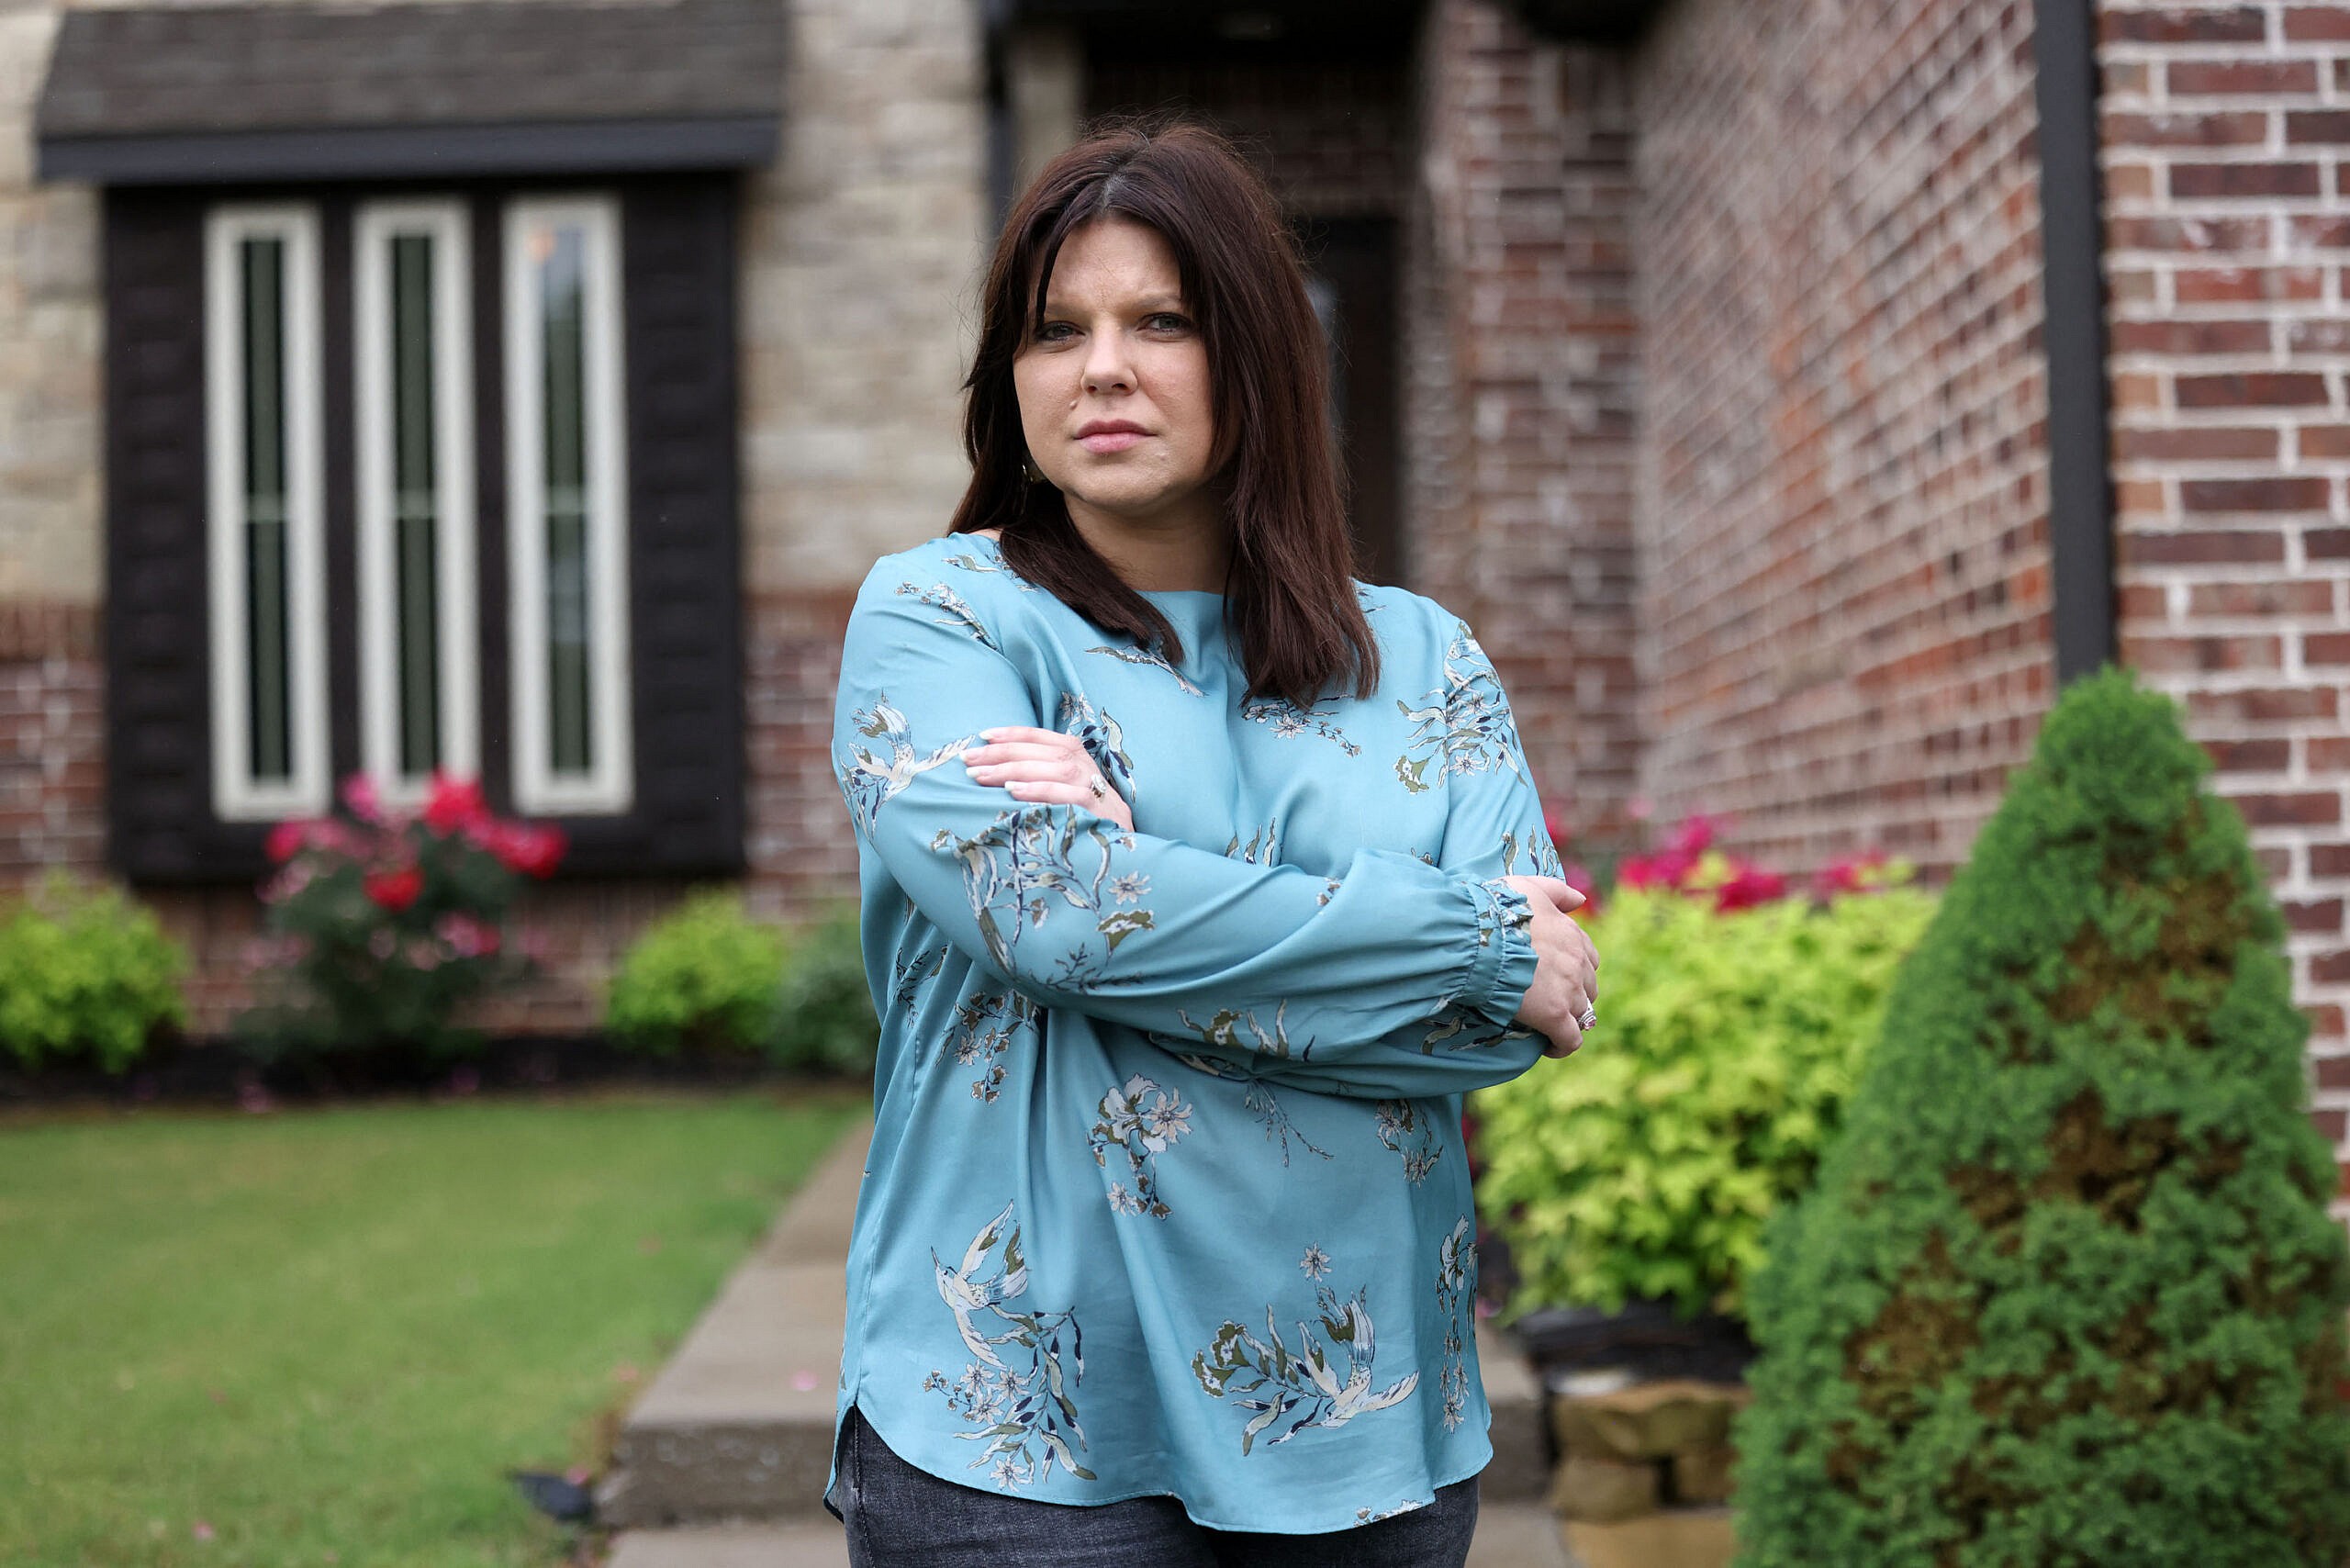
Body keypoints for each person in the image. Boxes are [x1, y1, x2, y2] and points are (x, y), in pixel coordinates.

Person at [820, 115, 1601, 1568]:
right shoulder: (941, 620)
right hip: (1022, 1436)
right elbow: (1052, 911)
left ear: (1256, 354)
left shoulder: (1425, 660)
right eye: (1057, 331)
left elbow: (1503, 1036)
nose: (1101, 365)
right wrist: (1471, 938)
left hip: (1363, 1430)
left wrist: (1147, 873)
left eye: (1159, 320)